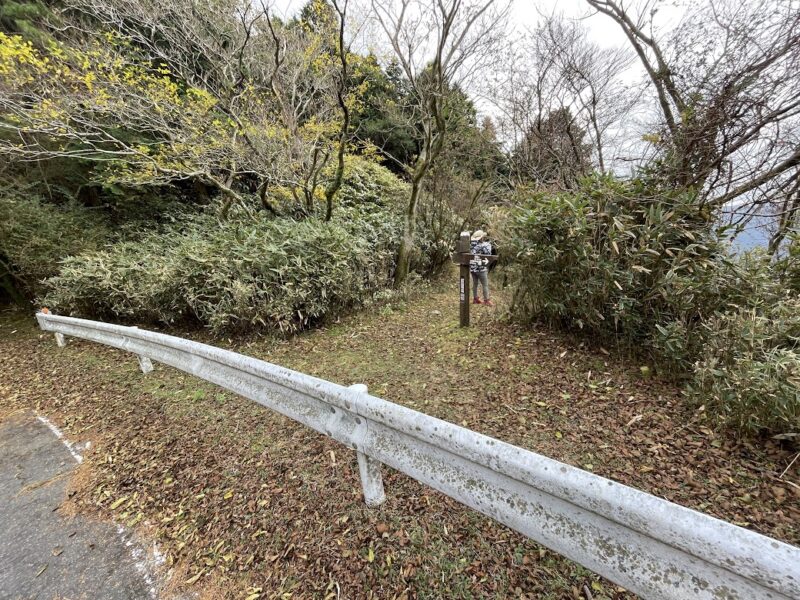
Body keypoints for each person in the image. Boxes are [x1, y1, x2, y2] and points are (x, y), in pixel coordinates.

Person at [469, 230, 493, 306]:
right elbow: (488, 253)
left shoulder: (471, 245)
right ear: (481, 238)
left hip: (473, 268)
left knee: (475, 284)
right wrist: (487, 244)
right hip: (481, 268)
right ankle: (486, 300)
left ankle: (475, 298)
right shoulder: (483, 245)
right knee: (485, 284)